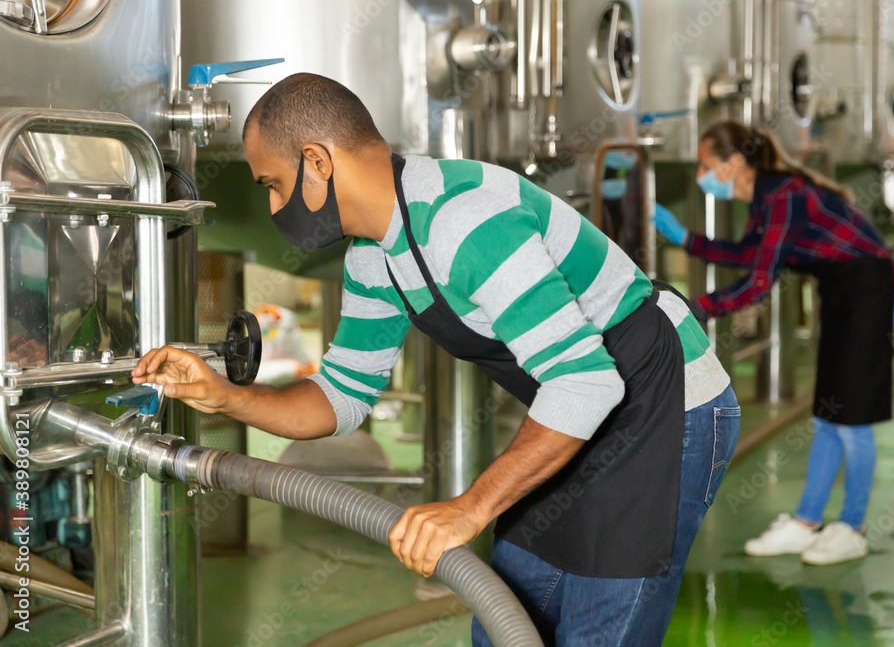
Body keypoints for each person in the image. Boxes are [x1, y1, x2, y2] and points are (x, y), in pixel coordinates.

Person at [130, 72, 736, 644]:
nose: (272, 208)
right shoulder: (373, 257)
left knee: (598, 632)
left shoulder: (464, 220)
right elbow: (340, 398)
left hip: (664, 403)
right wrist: (225, 396)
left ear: (317, 161)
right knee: (509, 622)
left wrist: (469, 508)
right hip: (572, 412)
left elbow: (585, 383)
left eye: (273, 185)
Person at [654, 121, 894, 565]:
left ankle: (852, 528)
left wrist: (696, 308)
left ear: (734, 164)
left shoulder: (783, 195)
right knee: (829, 416)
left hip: (872, 290)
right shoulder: (767, 199)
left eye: (705, 164)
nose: (700, 175)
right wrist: (685, 239)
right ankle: (808, 522)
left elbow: (757, 282)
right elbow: (751, 254)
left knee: (854, 421)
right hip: (842, 291)